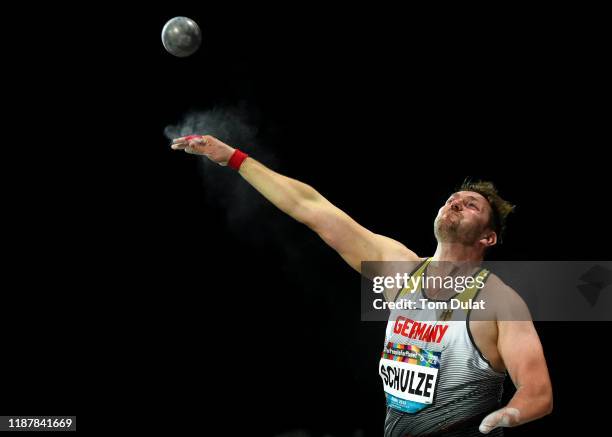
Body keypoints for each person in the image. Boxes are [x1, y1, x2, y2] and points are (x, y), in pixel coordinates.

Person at [171, 135, 553, 436]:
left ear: (488, 238)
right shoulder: (399, 271)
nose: (456, 202)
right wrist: (233, 158)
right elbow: (313, 208)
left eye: (471, 205)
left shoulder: (500, 301)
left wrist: (505, 415)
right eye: (453, 198)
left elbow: (537, 391)